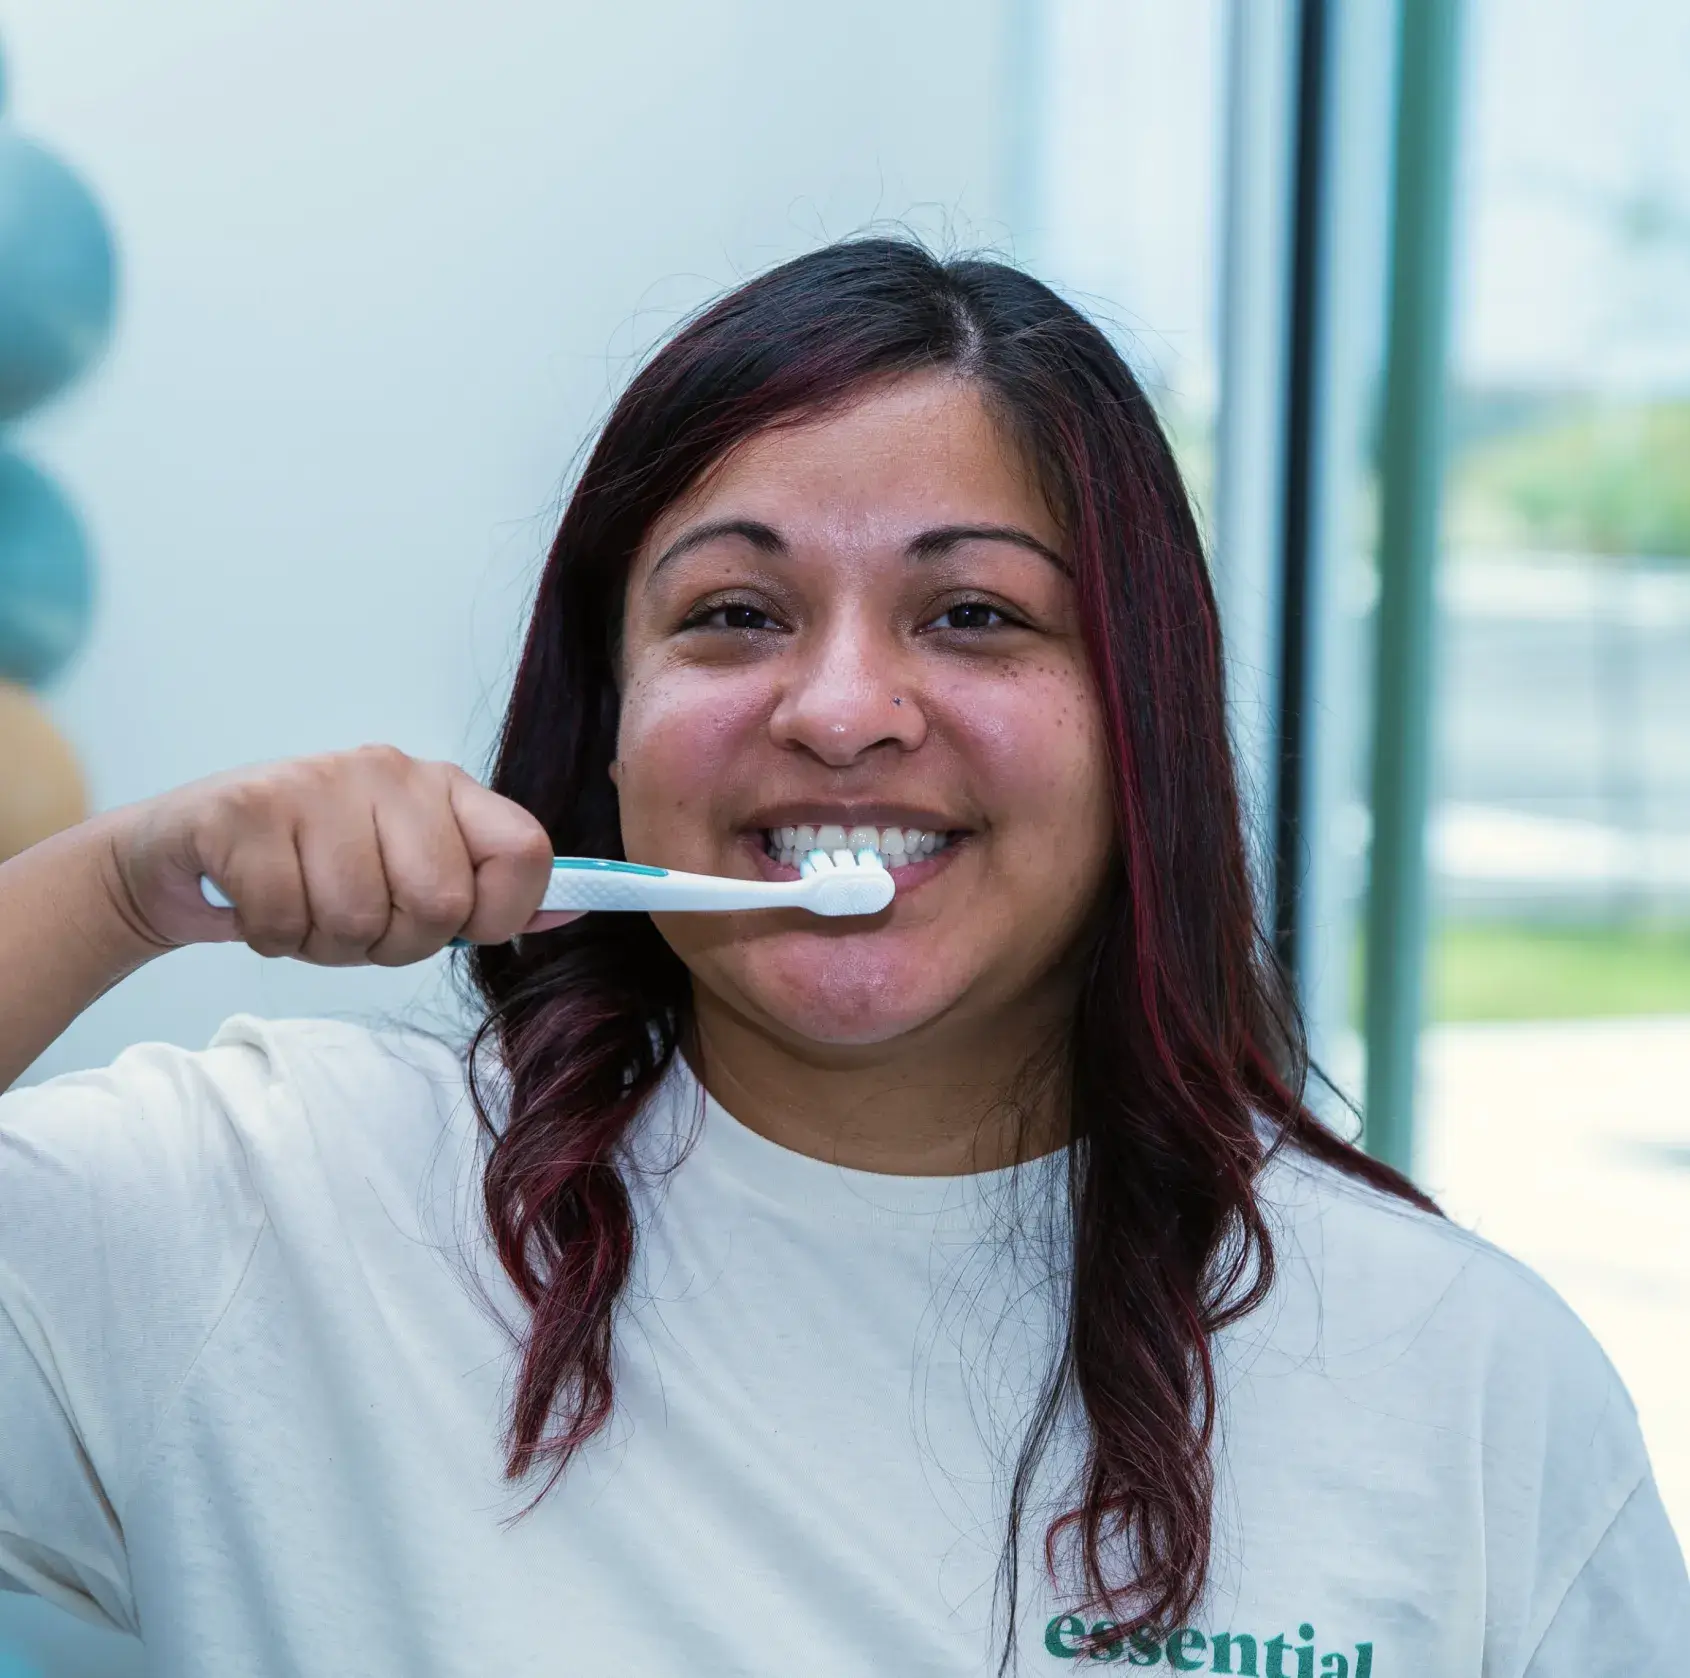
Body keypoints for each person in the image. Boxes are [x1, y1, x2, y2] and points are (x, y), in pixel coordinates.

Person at [1, 239, 1684, 1677]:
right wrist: (122, 887)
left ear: (1137, 724)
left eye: (973, 616)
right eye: (734, 613)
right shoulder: (267, 1210)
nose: (840, 711)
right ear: (610, 730)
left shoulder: (1463, 1381)